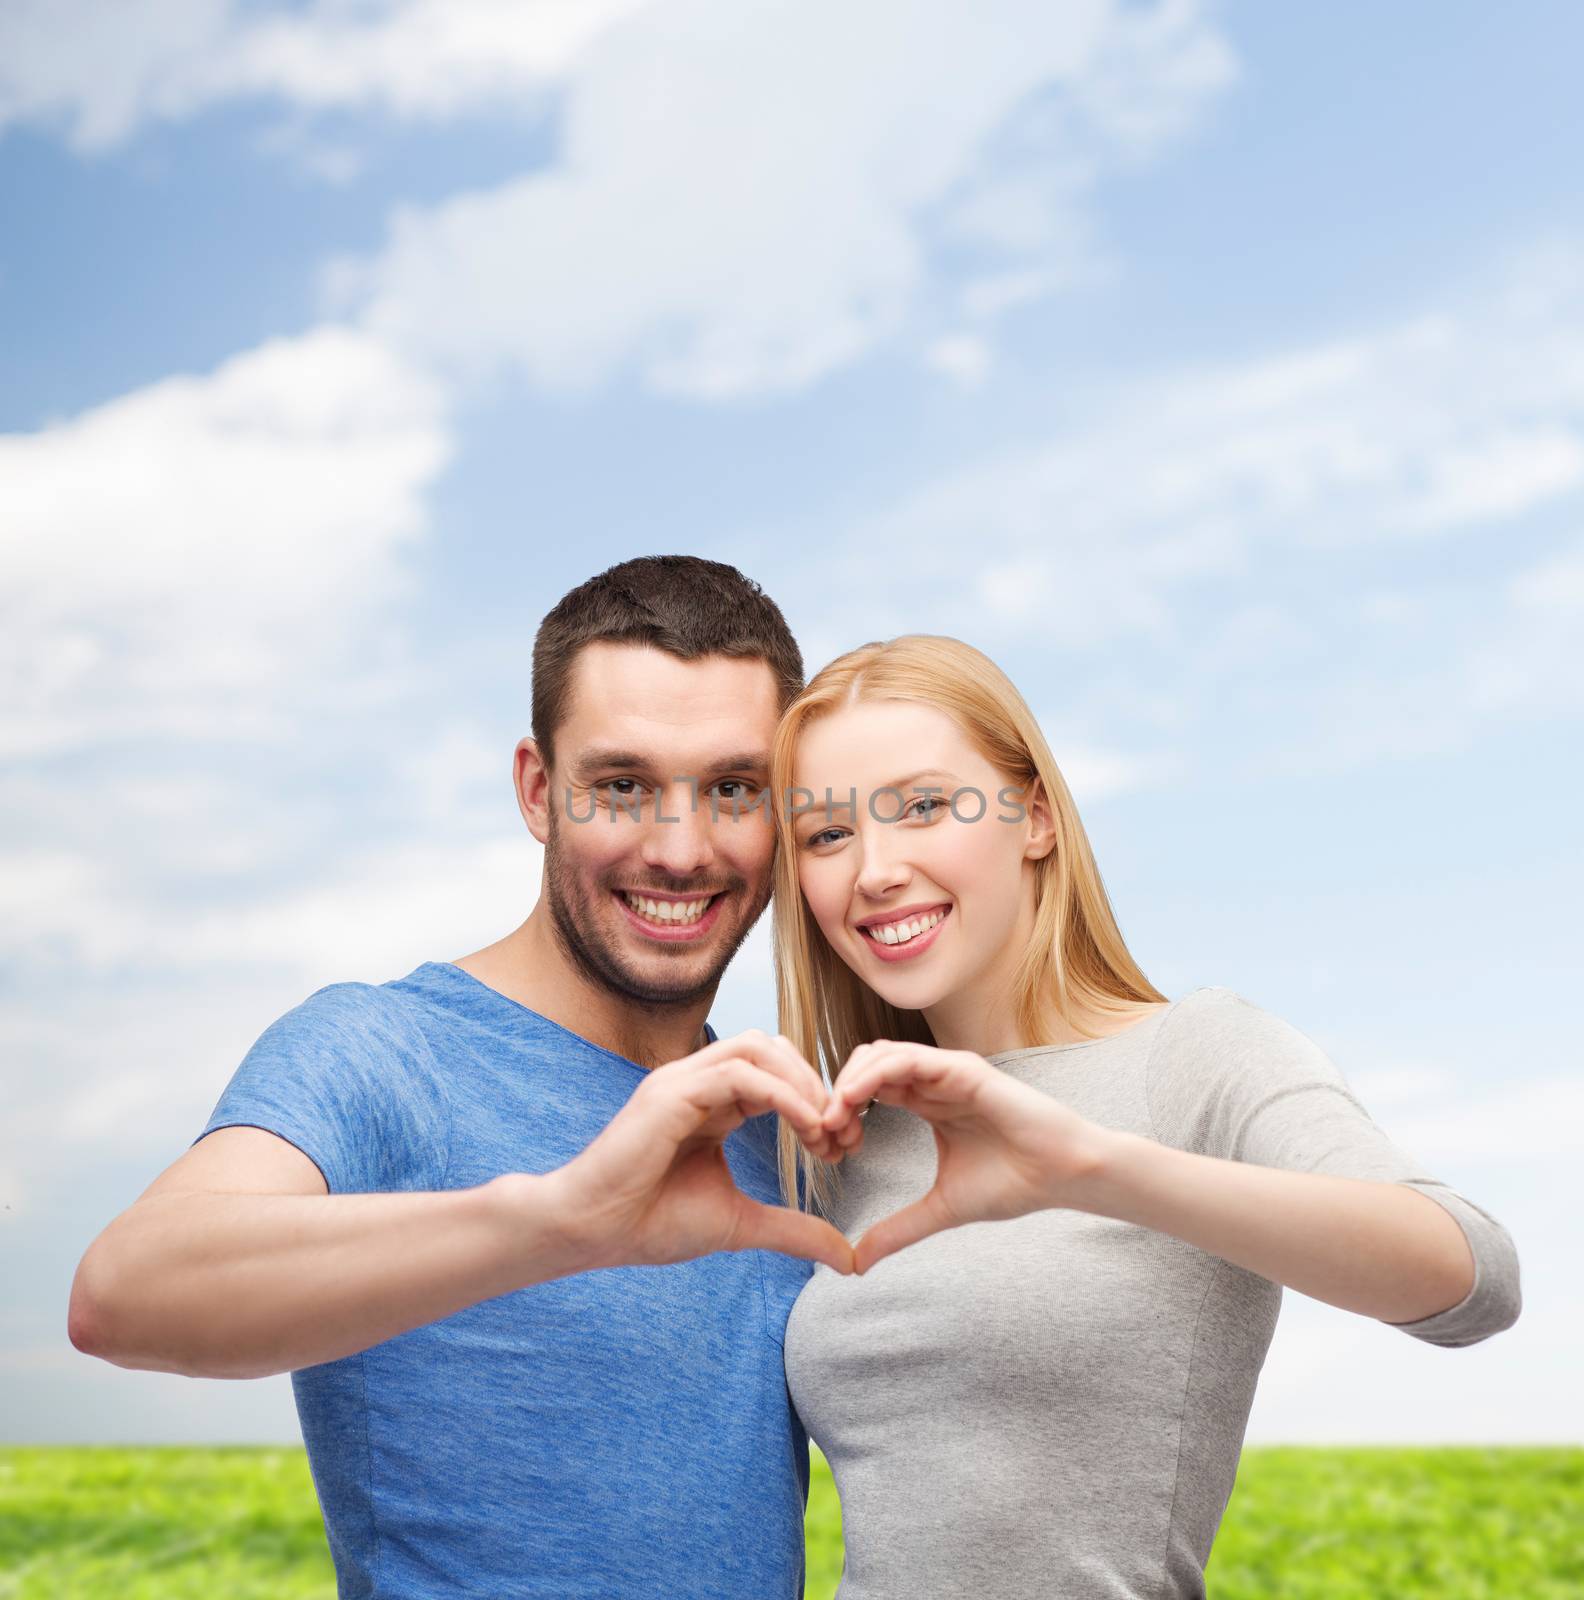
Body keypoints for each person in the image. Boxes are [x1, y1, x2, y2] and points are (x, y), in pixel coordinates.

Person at [66, 555, 855, 1600]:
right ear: (538, 790)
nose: (680, 846)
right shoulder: (384, 1050)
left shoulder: (771, 1126)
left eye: (732, 789)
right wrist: (565, 1220)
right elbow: (124, 1292)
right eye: (622, 784)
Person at [767, 633, 1523, 1600]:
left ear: (1034, 816)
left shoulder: (1194, 1057)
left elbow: (1475, 1277)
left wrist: (1087, 1165)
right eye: (827, 835)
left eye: (923, 807)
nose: (874, 869)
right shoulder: (848, 1136)